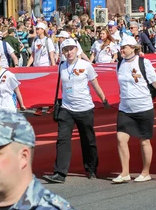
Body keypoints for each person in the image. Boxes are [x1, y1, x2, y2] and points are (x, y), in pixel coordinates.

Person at [112, 36, 156, 184]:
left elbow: (155, 82)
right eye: (121, 47)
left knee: (144, 140)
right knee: (120, 138)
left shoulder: (143, 62)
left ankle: (145, 172)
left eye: (124, 47)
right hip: (125, 108)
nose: (122, 50)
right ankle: (124, 173)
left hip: (143, 107)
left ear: (133, 48)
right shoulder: (120, 64)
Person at [43, 39, 108, 184]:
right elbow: (62, 86)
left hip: (85, 109)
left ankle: (91, 168)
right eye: (65, 50)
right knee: (62, 140)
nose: (69, 52)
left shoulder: (86, 66)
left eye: (71, 49)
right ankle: (60, 173)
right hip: (66, 109)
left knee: (88, 140)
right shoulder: (62, 66)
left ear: (77, 49)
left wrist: (104, 99)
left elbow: (95, 84)